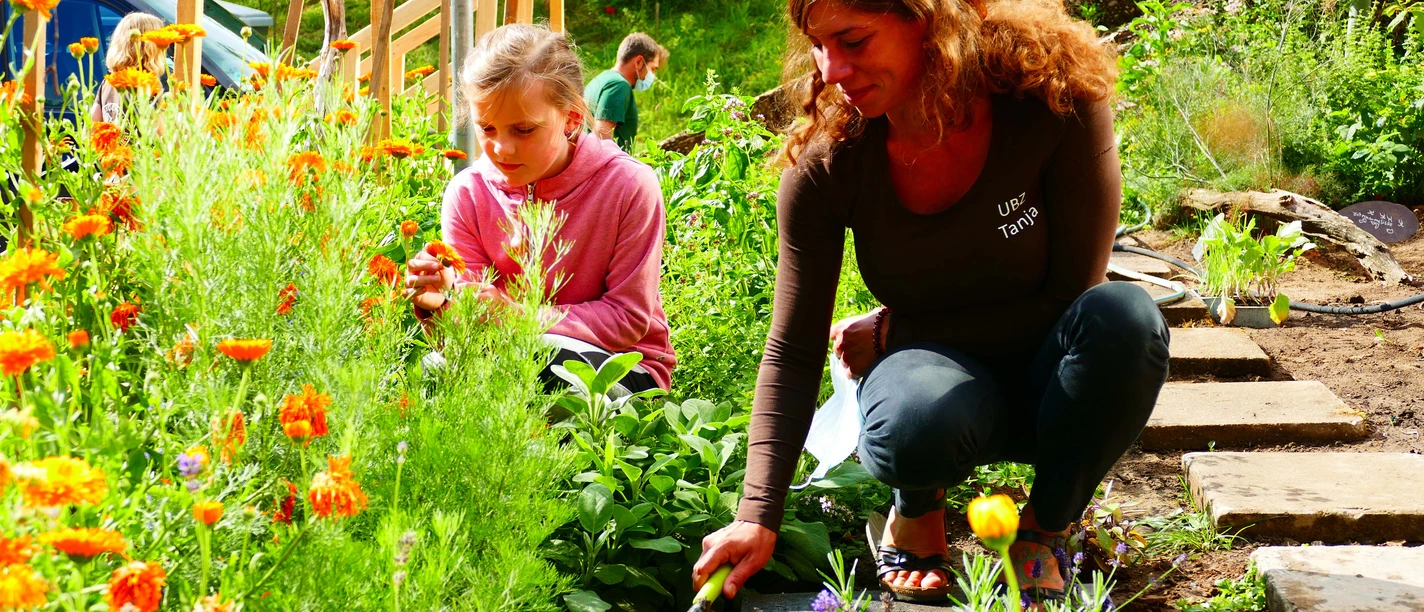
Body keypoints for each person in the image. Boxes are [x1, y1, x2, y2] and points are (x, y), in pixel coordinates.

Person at [692, 0, 1170, 605]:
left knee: (1125, 319)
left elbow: (1069, 296)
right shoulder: (833, 161)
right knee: (913, 425)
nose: (831, 69)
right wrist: (756, 513)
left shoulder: (1053, 101)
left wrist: (896, 331)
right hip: (937, 385)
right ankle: (915, 508)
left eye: (854, 40)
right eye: (818, 45)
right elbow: (792, 348)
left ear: (929, 21)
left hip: (1054, 377)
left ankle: (1046, 527)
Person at [405, 23, 676, 395]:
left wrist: (517, 317)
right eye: (487, 128)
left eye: (523, 129)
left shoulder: (628, 186)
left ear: (571, 119)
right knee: (438, 372)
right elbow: (471, 337)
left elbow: (627, 320)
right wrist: (439, 304)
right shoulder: (466, 195)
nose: (502, 148)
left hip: (624, 368)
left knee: (542, 362)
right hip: (510, 359)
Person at [583, 32, 667, 152]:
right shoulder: (619, 86)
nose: (653, 75)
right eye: (653, 68)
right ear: (639, 62)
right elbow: (601, 137)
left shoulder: (601, 79)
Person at [90, 13, 166, 124]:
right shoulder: (150, 85)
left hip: (111, 141)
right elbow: (162, 135)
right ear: (152, 48)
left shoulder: (108, 82)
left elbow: (91, 128)